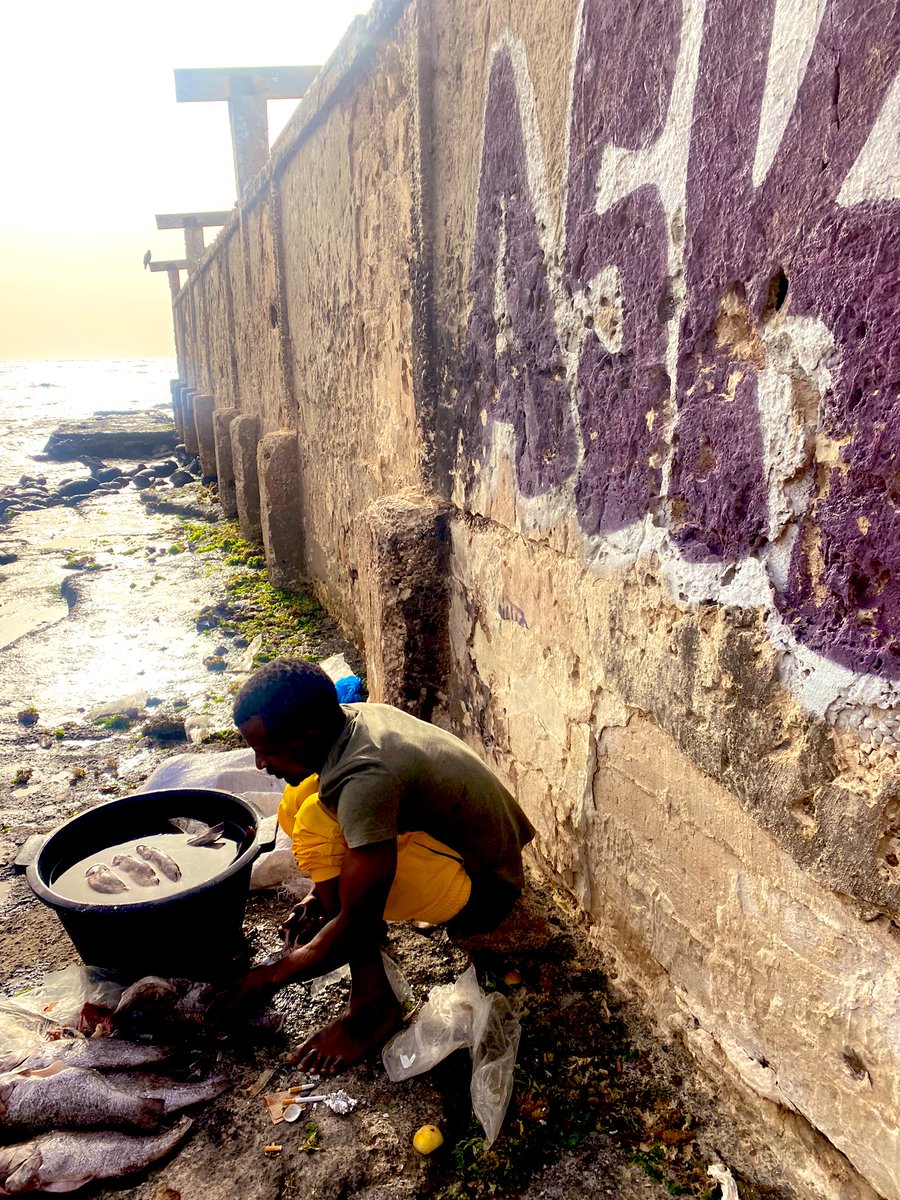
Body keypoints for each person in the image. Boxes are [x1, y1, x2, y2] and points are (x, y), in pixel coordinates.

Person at [231, 657, 535, 1076]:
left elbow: (358, 921)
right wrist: (321, 892)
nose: (259, 763)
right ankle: (343, 918)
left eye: (267, 751)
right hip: (462, 845)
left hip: (485, 887)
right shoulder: (348, 722)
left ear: (308, 735)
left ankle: (373, 1006)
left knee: (319, 834)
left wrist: (268, 977)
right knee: (299, 801)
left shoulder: (365, 778)